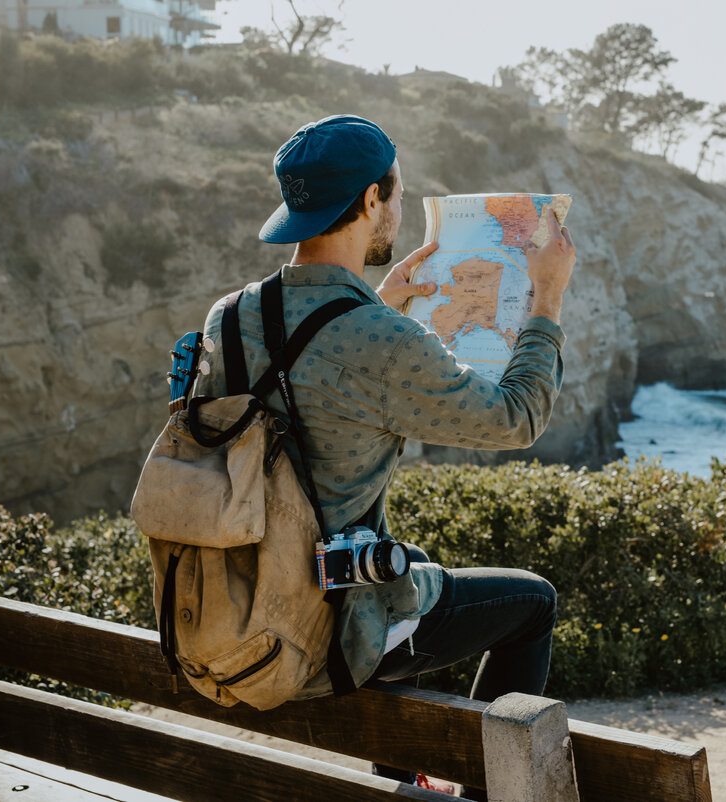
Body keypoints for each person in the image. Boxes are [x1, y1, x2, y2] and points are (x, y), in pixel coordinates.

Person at [189, 114, 575, 798]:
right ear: (372, 200)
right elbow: (516, 418)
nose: (398, 211)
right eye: (396, 198)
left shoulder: (230, 315)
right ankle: (486, 791)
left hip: (232, 601)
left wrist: (378, 303)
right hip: (319, 631)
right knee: (533, 602)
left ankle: (404, 781)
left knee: (414, 565)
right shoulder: (379, 336)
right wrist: (545, 301)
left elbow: (288, 412)